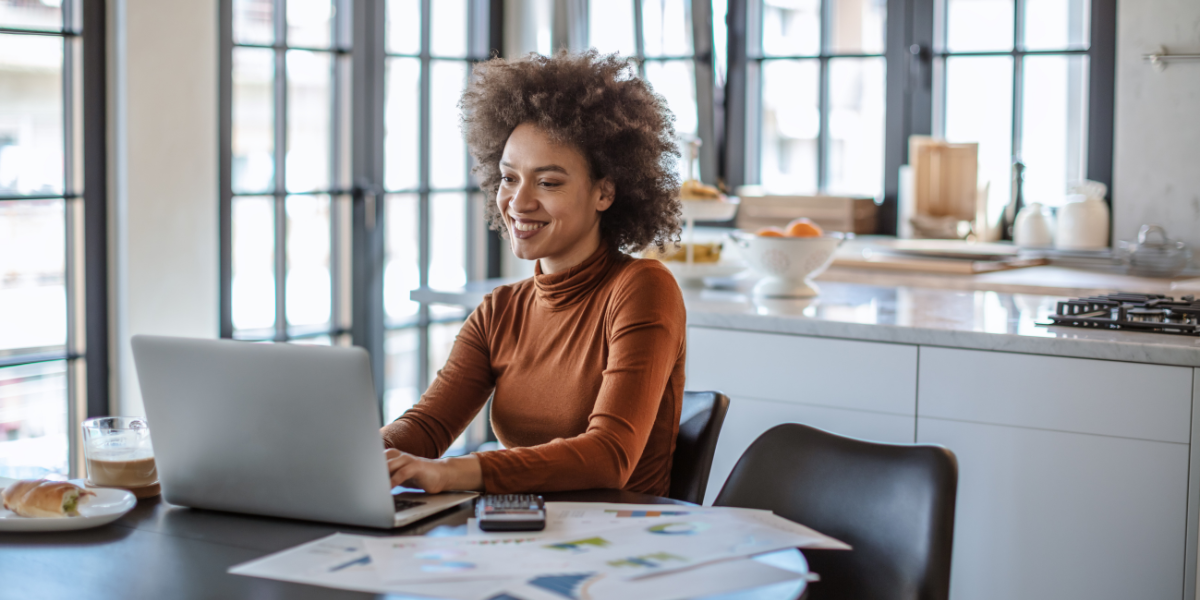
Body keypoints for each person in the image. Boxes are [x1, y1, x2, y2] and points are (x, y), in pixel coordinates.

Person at [380, 50, 687, 496]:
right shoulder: (500, 311)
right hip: (523, 532)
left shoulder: (642, 289)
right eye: (509, 178)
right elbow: (425, 428)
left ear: (604, 192)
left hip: (624, 542)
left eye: (548, 182)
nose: (519, 203)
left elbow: (608, 457)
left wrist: (454, 472)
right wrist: (348, 453)